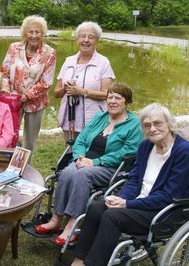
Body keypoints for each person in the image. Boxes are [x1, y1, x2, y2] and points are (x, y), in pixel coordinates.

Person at [47, 103, 189, 266]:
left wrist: (127, 203)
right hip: (137, 202)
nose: (152, 129)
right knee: (97, 207)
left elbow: (169, 195)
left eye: (157, 123)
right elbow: (134, 179)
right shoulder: (146, 146)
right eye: (147, 125)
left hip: (164, 211)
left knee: (112, 217)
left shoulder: (183, 152)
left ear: (170, 124)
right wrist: (120, 198)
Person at [34, 83, 142, 245]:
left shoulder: (134, 125)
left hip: (109, 167)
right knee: (67, 172)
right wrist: (79, 157)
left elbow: (126, 152)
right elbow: (81, 140)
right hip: (84, 160)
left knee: (82, 175)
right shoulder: (100, 117)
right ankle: (56, 218)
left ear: (127, 102)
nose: (112, 101)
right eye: (110, 97)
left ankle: (72, 225)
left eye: (117, 98)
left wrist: (95, 161)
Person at [1, 15, 56, 150]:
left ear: (42, 34)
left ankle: (26, 168)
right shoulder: (14, 48)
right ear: (25, 33)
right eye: (30, 31)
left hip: (36, 103)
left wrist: (25, 97)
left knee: (29, 142)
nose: (34, 35)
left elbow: (46, 82)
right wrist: (7, 92)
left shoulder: (49, 53)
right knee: (9, 135)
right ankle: (8, 165)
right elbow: (4, 72)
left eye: (37, 32)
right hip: (13, 100)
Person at [55, 21, 115, 143]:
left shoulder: (103, 62)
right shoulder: (68, 61)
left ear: (97, 41)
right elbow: (56, 93)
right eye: (83, 36)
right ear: (77, 39)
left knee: (90, 153)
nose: (86, 40)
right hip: (69, 118)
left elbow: (107, 94)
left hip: (93, 120)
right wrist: (65, 88)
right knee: (70, 151)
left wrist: (82, 92)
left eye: (91, 37)